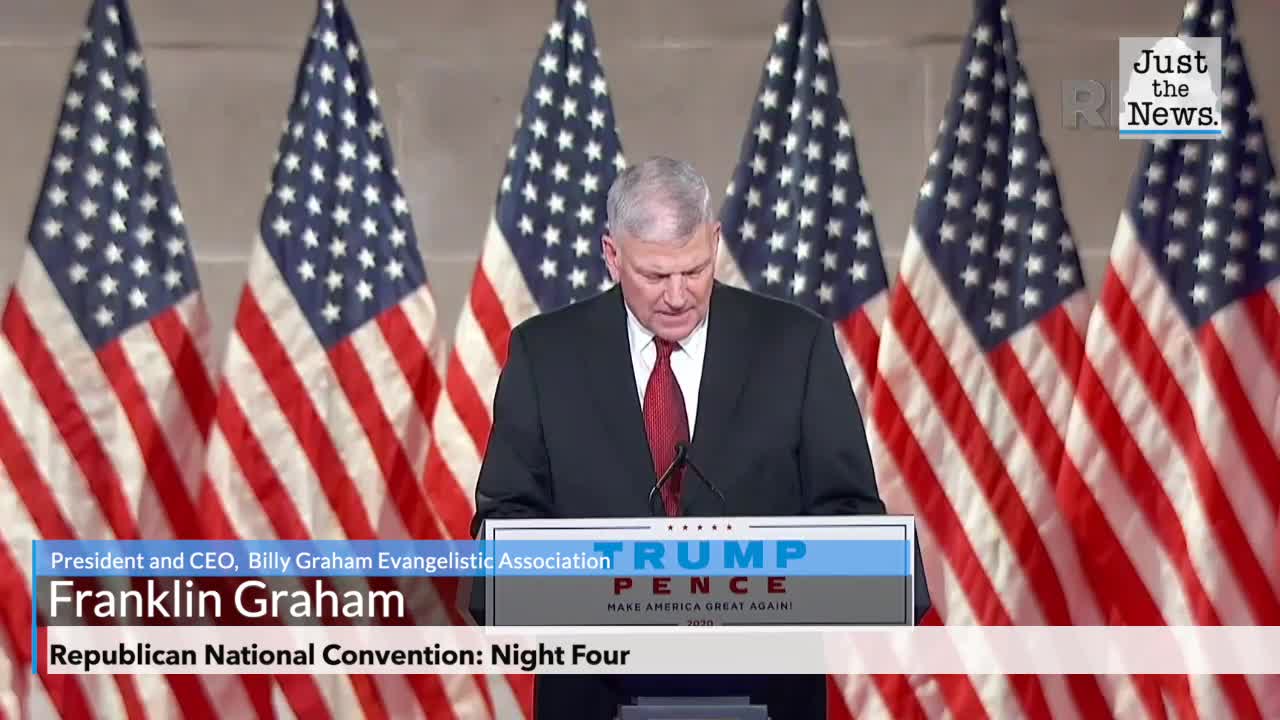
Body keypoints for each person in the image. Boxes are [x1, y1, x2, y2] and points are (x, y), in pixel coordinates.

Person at [468, 156, 927, 719]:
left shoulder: (795, 345)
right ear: (612, 255)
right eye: (656, 276)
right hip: (595, 695)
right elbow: (508, 516)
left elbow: (848, 509)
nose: (679, 295)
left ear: (714, 242)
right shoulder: (545, 354)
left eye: (695, 270)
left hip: (764, 692)